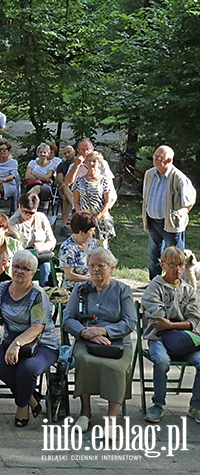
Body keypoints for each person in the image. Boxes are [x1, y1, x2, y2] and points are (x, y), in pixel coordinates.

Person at [0, 250, 59, 428]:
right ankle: (32, 398)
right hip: (11, 341)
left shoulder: (38, 295)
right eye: (16, 266)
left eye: (25, 269)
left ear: (32, 273)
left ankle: (22, 407)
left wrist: (17, 344)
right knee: (0, 366)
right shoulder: (2, 288)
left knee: (26, 369)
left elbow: (37, 328)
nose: (19, 271)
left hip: (42, 344)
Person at [63, 248, 137, 432]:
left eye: (101, 266)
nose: (95, 269)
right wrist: (86, 332)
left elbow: (130, 322)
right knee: (84, 360)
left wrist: (103, 331)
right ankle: (85, 412)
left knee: (118, 367)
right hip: (86, 340)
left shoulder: (123, 290)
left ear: (111, 268)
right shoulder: (80, 289)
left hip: (117, 342)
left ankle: (111, 418)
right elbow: (67, 319)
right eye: (92, 265)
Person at [141, 247, 200, 423]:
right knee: (162, 361)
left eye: (181, 265)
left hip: (184, 340)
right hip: (158, 338)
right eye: (173, 265)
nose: (178, 270)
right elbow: (159, 319)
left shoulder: (188, 290)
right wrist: (179, 323)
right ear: (162, 265)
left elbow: (195, 320)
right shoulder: (154, 287)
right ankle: (158, 405)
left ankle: (196, 405)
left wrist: (173, 324)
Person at [142, 145, 196, 279]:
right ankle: (154, 283)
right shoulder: (149, 174)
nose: (155, 159)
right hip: (153, 221)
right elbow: (145, 195)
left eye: (160, 157)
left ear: (169, 161)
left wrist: (178, 216)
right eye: (155, 156)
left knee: (175, 257)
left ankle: (178, 286)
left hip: (170, 224)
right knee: (153, 254)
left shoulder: (179, 178)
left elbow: (189, 201)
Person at [9, 194, 57, 286]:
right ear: (19, 207)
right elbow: (15, 246)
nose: (28, 215)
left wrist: (42, 248)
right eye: (25, 212)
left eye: (32, 213)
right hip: (22, 257)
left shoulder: (41, 218)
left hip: (41, 255)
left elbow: (51, 240)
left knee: (46, 268)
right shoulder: (13, 222)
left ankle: (44, 291)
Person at [72, 151, 115, 247]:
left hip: (100, 218)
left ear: (99, 163)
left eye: (94, 161)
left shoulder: (104, 181)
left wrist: (97, 217)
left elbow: (107, 202)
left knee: (102, 245)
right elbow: (76, 201)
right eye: (89, 161)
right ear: (86, 162)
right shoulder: (79, 180)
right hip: (84, 218)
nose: (91, 163)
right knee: (84, 245)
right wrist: (81, 215)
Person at [56, 144, 77, 233]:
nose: (67, 155)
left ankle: (63, 226)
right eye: (65, 153)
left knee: (65, 198)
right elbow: (60, 180)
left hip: (76, 190)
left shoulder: (79, 164)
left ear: (74, 152)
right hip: (63, 188)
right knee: (64, 187)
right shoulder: (62, 165)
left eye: (69, 152)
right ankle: (75, 207)